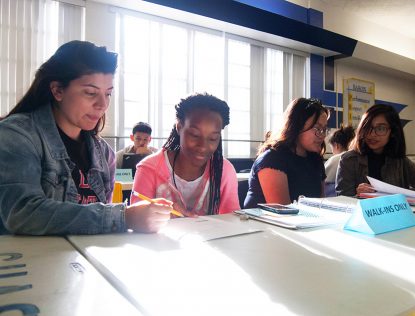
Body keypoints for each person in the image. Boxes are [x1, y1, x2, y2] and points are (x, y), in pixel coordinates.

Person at [0, 41, 172, 235]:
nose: (102, 104)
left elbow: (97, 226)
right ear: (57, 90)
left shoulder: (104, 153)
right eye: (90, 93)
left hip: (80, 261)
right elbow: (22, 212)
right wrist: (125, 217)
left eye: (108, 94)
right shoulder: (17, 135)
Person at [131, 93, 240, 216]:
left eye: (213, 138)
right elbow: (136, 220)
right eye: (194, 135)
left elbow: (232, 221)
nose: (203, 146)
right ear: (179, 127)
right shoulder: (149, 169)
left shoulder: (224, 170)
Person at [243, 98, 329, 208]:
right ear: (297, 126)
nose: (322, 135)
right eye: (317, 128)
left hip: (303, 222)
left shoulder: (315, 159)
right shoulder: (272, 159)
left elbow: (320, 205)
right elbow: (284, 212)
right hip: (263, 224)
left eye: (324, 129)